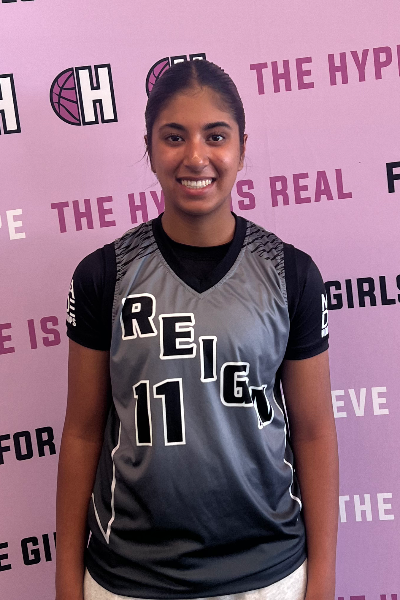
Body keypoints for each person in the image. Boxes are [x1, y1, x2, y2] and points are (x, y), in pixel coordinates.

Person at [56, 59, 338, 600]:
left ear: (242, 147)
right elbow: (83, 432)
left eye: (215, 136)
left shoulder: (290, 274)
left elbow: (314, 432)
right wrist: (67, 581)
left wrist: (321, 579)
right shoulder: (103, 275)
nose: (195, 156)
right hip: (130, 578)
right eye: (173, 137)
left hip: (269, 574)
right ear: (149, 147)